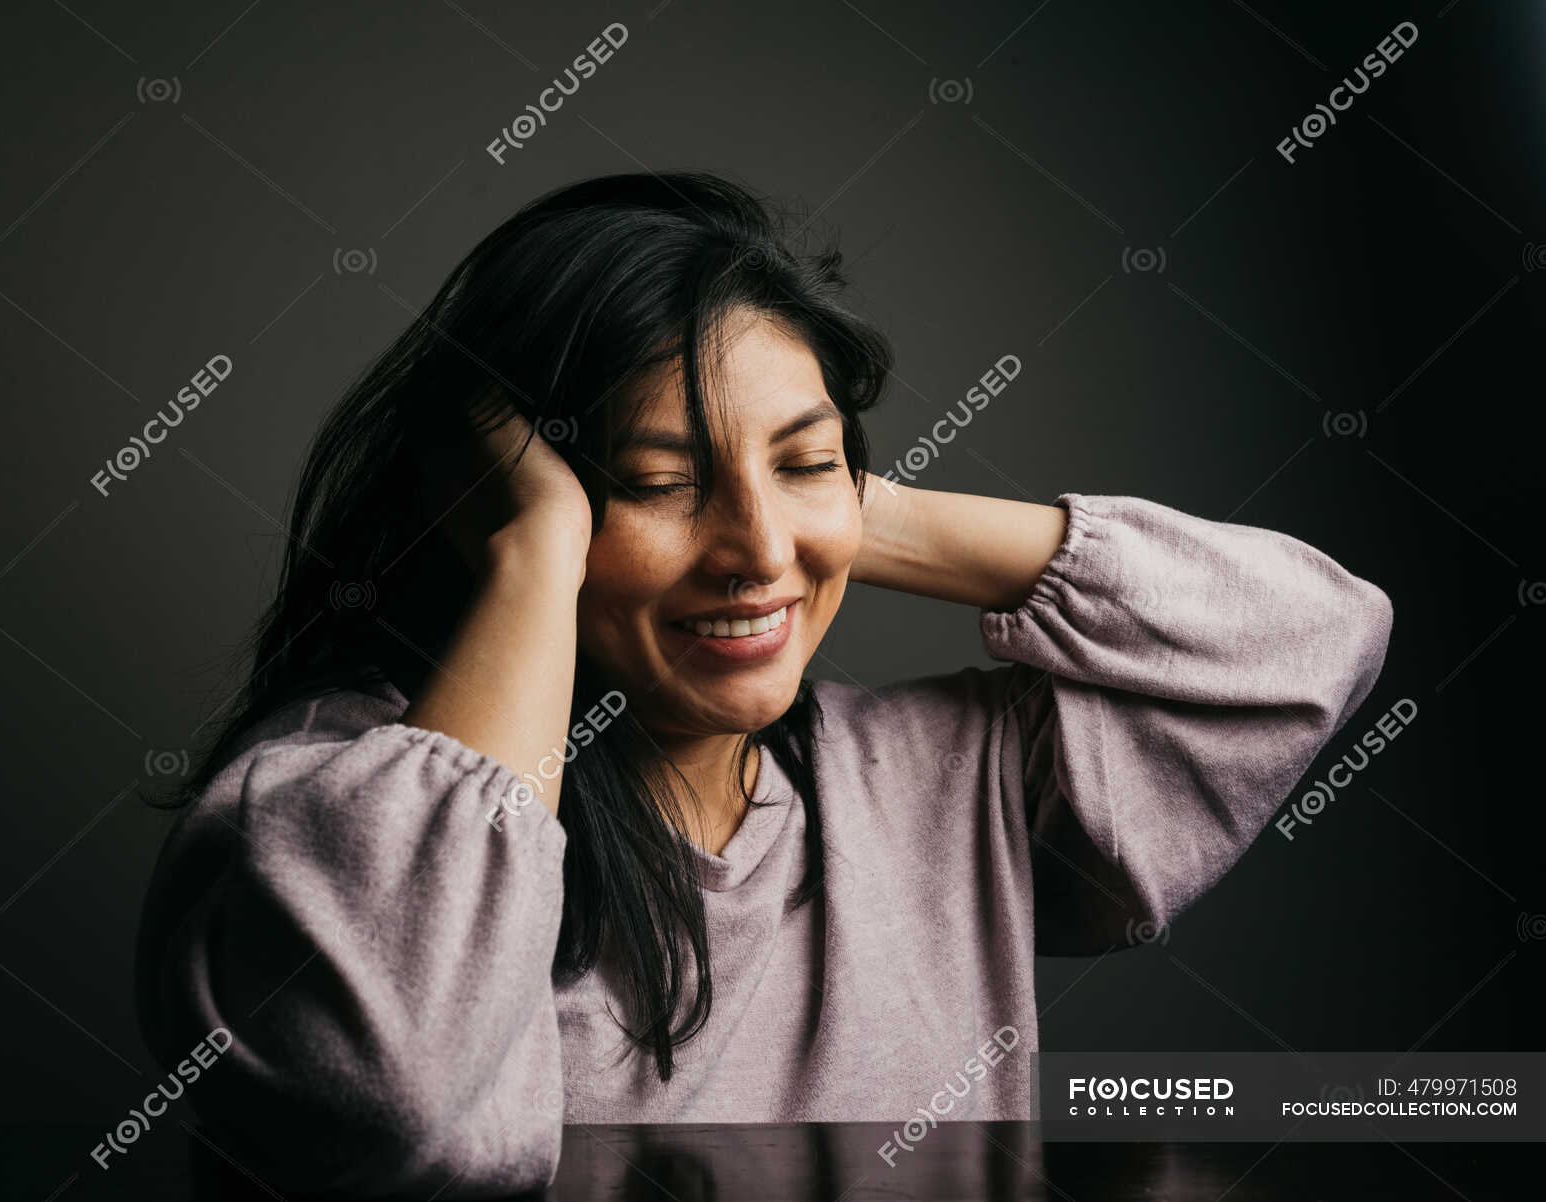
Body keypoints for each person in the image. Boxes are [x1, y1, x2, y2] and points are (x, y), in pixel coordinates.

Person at [131, 171, 1392, 1197]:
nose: (754, 551)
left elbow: (1309, 640)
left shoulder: (947, 772)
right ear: (491, 514)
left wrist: (827, 515)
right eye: (656, 481)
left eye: (812, 461)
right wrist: (534, 556)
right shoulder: (320, 815)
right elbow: (397, 1114)